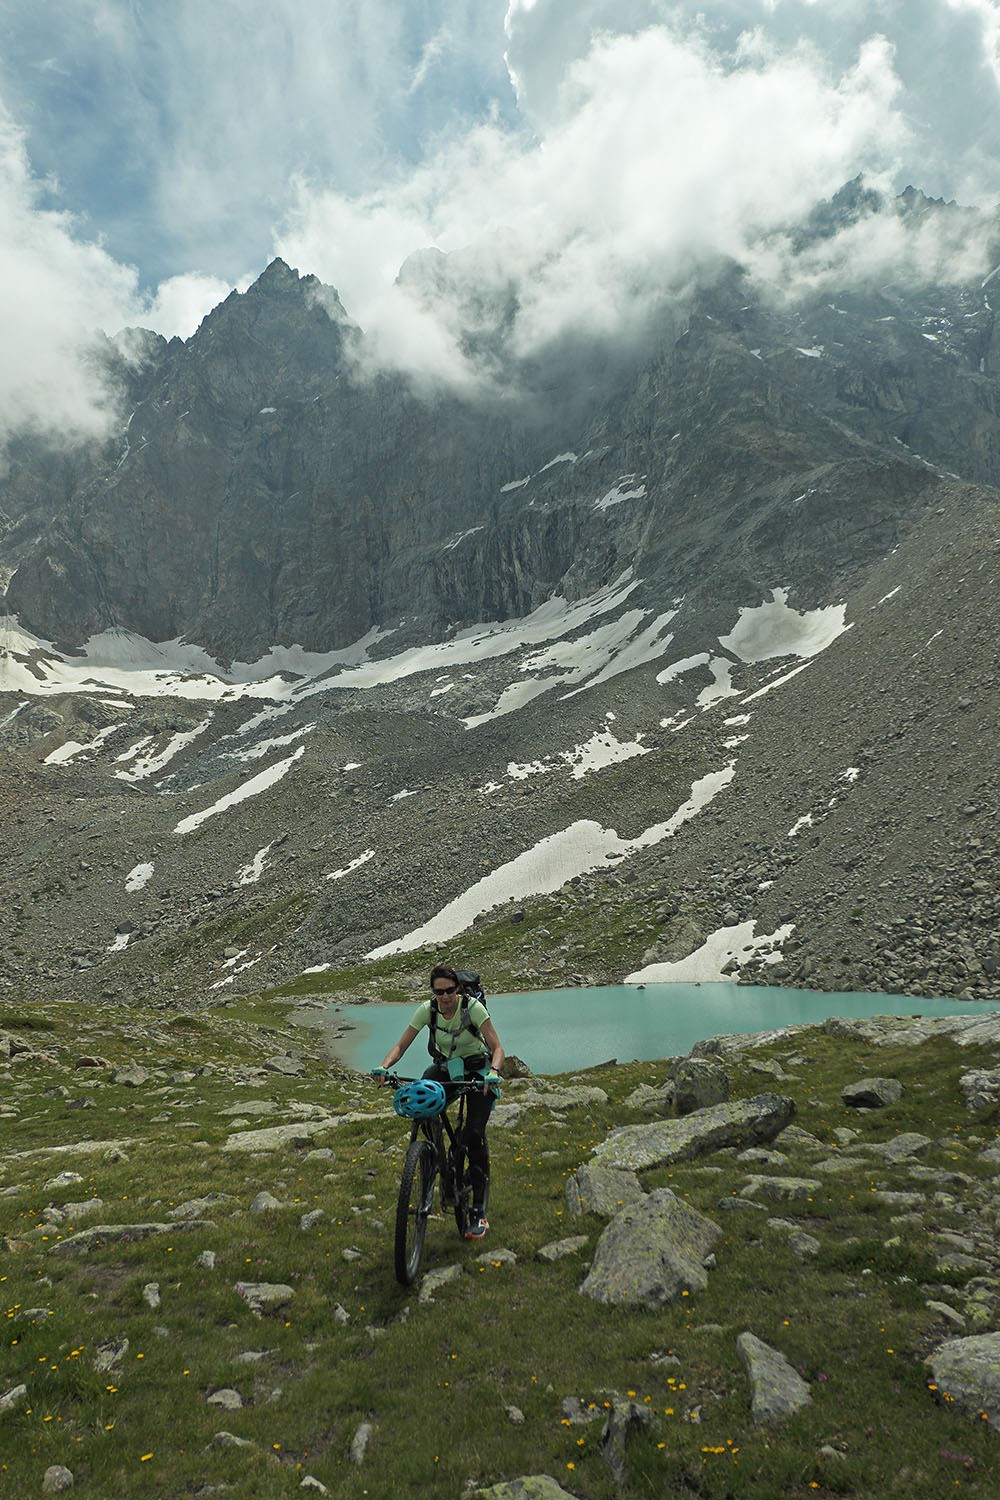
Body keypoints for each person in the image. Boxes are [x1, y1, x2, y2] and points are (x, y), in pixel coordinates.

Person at [376, 964, 504, 1240]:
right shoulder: (428, 1010)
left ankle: (478, 1210)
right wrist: (384, 1067)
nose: (444, 997)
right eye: (439, 991)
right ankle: (435, 1158)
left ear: (457, 989)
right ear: (433, 992)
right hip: (445, 1068)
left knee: (473, 1133)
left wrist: (493, 1072)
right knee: (421, 1106)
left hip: (478, 1071)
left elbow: (497, 1048)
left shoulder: (473, 1009)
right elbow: (401, 1046)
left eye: (449, 990)